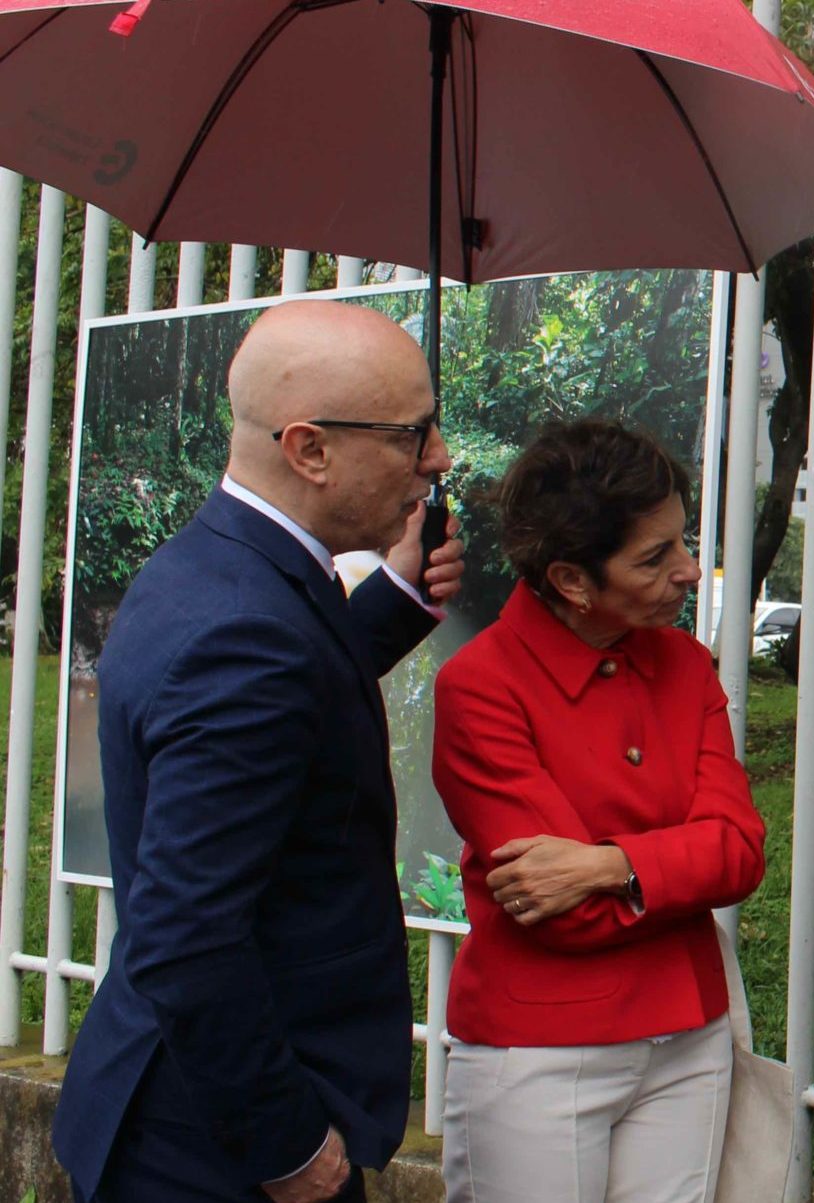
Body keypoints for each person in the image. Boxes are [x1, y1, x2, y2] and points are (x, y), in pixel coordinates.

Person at [53, 300, 463, 1203]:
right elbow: (186, 933)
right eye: (412, 435)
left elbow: (291, 694)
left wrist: (393, 598)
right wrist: (289, 1149)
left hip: (181, 1113)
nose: (436, 460)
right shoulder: (248, 628)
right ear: (309, 449)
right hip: (218, 1150)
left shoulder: (218, 569)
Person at [429, 419, 767, 1203]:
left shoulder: (684, 662)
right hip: (538, 1047)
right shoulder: (481, 684)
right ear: (573, 580)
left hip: (688, 1034)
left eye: (682, 540)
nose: (688, 570)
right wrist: (675, 869)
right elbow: (558, 912)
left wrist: (609, 865)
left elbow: (742, 852)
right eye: (655, 557)